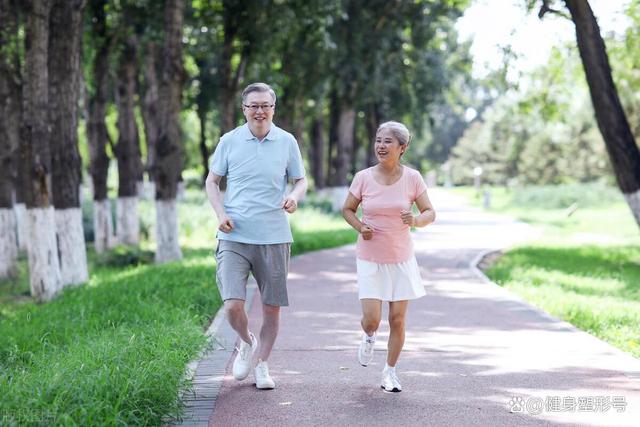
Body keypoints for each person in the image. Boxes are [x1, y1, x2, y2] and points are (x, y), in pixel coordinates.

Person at [205, 82, 307, 390]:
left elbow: (301, 180)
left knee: (270, 308)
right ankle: (246, 341)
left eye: (265, 105)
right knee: (233, 304)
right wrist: (220, 214)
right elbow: (212, 182)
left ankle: (262, 365)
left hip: (274, 236)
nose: (260, 111)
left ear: (274, 108)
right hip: (234, 236)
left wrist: (295, 196)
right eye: (254, 106)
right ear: (244, 109)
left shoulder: (287, 141)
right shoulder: (230, 141)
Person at [342, 121, 435, 393]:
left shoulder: (413, 178)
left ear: (402, 148)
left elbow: (430, 211)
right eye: (378, 140)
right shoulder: (363, 177)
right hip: (370, 256)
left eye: (388, 142)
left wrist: (416, 220)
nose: (380, 146)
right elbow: (347, 209)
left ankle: (390, 372)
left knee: (397, 318)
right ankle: (369, 336)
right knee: (372, 318)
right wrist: (361, 227)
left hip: (401, 257)